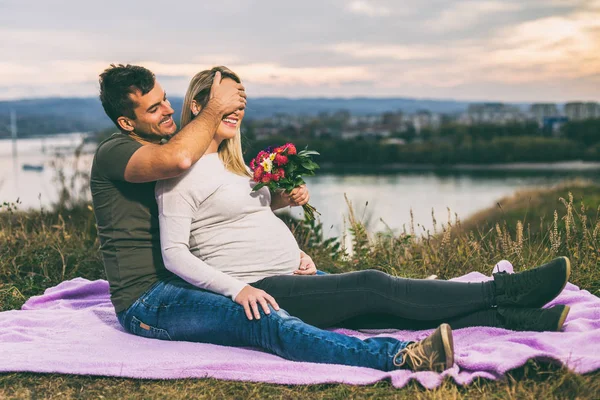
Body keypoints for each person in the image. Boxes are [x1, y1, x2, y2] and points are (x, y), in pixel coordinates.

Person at [92, 64, 568, 374]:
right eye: (154, 108)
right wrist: (239, 286)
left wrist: (277, 208)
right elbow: (180, 235)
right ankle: (494, 296)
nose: (168, 110)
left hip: (277, 272)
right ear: (127, 123)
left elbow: (226, 218)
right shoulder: (145, 158)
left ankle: (514, 315)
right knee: (372, 286)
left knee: (375, 307)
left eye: (165, 99)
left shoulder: (205, 158)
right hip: (177, 293)